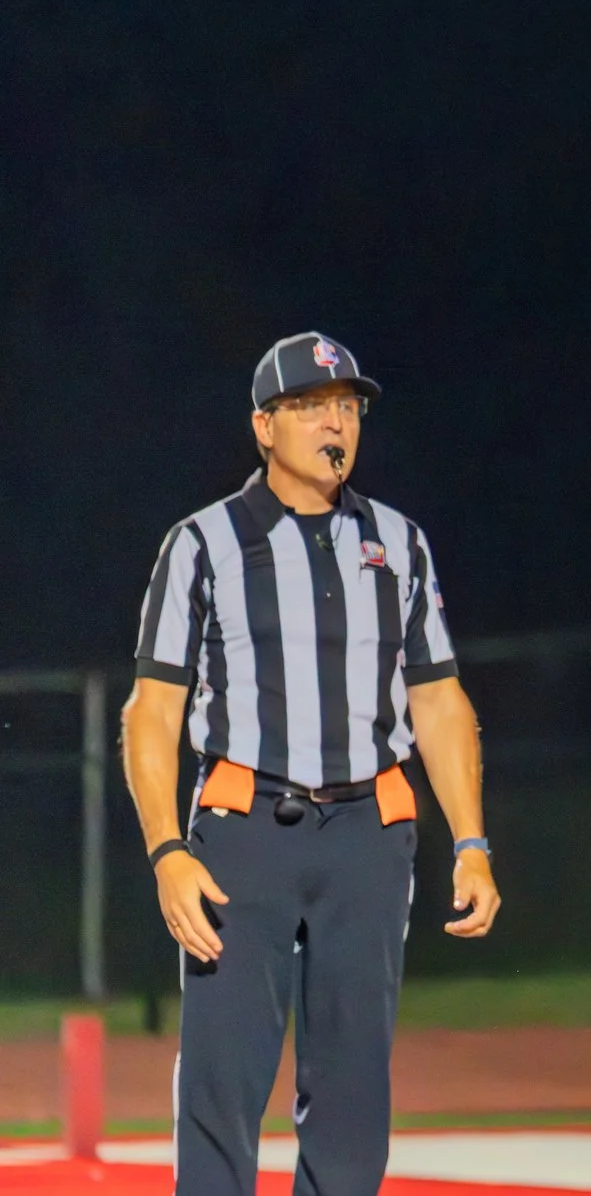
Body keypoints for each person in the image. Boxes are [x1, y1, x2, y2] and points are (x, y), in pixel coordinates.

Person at [123, 332, 500, 1196]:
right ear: (264, 426)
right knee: (223, 1082)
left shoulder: (398, 542)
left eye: (348, 405)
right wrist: (164, 851)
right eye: (311, 406)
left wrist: (471, 840)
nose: (337, 421)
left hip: (368, 833)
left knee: (353, 1089)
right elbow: (154, 710)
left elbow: (439, 698)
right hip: (243, 829)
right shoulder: (204, 544)